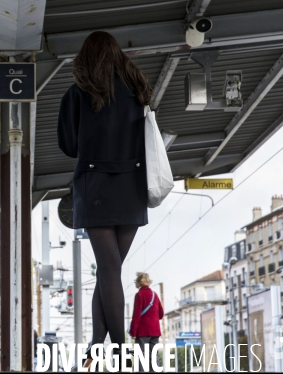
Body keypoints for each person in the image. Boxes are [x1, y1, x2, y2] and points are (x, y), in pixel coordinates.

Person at [58, 31, 152, 369]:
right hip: (132, 188)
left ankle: (119, 351)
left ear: (86, 57)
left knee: (108, 270)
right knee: (110, 271)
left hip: (95, 187)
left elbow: (69, 146)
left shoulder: (78, 94)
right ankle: (98, 346)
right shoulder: (138, 90)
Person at [129, 272, 164, 372]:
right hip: (155, 332)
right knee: (154, 356)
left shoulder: (139, 295)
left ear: (139, 282)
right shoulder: (155, 295)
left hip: (142, 332)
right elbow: (161, 314)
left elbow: (136, 316)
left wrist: (133, 332)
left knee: (141, 356)